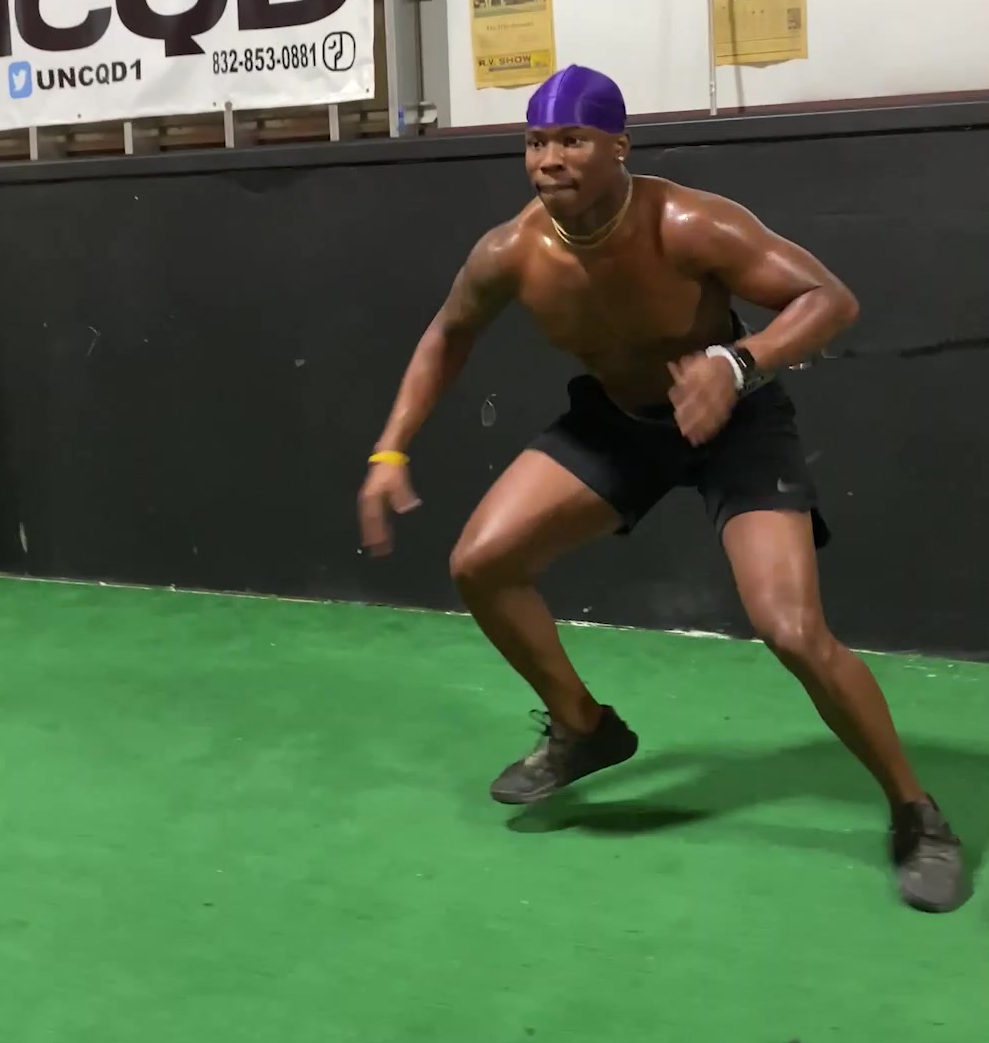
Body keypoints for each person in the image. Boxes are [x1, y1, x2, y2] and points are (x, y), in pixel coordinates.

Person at [358, 64, 967, 915]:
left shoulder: (689, 223)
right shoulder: (511, 252)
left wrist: (737, 363)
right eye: (536, 142)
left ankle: (917, 813)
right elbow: (446, 335)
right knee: (482, 563)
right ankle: (583, 728)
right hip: (620, 426)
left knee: (791, 629)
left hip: (734, 421)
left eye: (572, 141)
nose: (549, 160)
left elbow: (829, 300)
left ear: (618, 148)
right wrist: (391, 451)